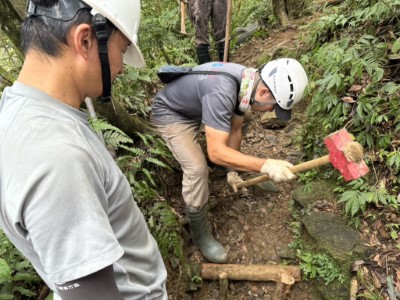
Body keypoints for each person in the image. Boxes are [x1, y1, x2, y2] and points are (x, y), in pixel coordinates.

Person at [0, 0, 167, 299]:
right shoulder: (56, 156)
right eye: (123, 48)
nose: (121, 66)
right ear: (85, 39)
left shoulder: (17, 114)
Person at [151, 58, 308, 263]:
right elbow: (215, 152)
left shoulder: (247, 83)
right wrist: (265, 165)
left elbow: (235, 128)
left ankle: (223, 170)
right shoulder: (222, 92)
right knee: (197, 169)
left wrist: (231, 170)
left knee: (246, 119)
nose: (271, 112)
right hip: (173, 114)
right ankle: (200, 234)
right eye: (273, 107)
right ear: (263, 93)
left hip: (197, 106)